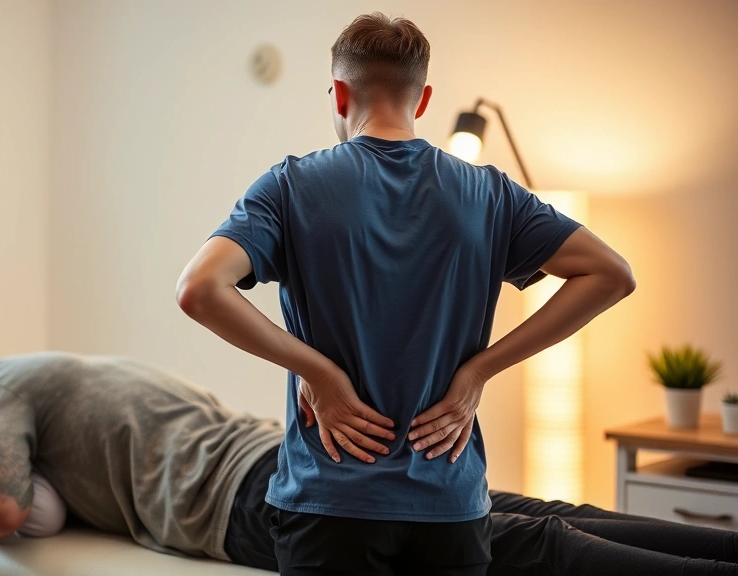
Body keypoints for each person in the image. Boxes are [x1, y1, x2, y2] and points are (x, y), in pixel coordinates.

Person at [176, 12, 637, 576]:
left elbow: (199, 289)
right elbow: (611, 274)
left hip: (329, 503)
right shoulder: (488, 193)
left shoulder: (291, 185)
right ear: (422, 100)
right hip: (449, 505)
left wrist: (320, 375)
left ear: (339, 94)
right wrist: (478, 373)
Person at [0, 352, 738, 576]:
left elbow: (3, 508)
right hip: (281, 455)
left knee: (519, 550)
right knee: (531, 521)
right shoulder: (54, 376)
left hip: (248, 496)